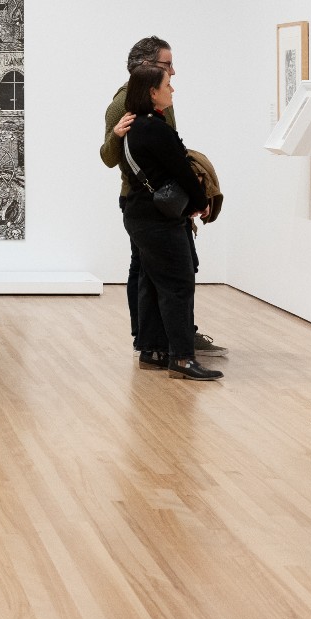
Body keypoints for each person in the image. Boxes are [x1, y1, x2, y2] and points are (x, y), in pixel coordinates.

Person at [100, 36, 226, 356]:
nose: (174, 72)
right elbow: (109, 157)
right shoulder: (122, 104)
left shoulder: (159, 98)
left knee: (175, 269)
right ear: (147, 67)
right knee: (148, 270)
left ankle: (172, 336)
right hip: (145, 201)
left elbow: (169, 149)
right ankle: (148, 338)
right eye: (167, 64)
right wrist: (116, 136)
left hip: (166, 199)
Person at [120, 65, 222, 380]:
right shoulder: (156, 129)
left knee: (151, 283)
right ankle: (181, 358)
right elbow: (182, 171)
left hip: (138, 215)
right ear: (152, 91)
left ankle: (151, 351)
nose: (172, 88)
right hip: (158, 220)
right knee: (178, 284)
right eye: (167, 83)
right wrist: (200, 203)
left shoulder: (131, 128)